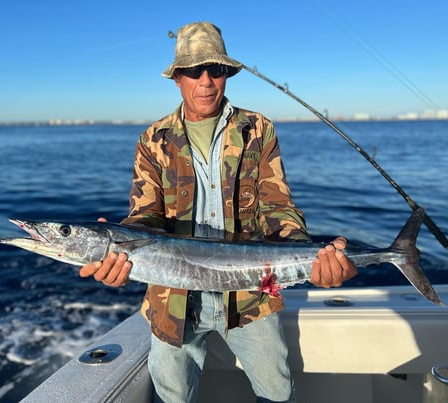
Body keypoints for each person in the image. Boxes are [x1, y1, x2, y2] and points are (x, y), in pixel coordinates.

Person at [80, 22, 358, 403]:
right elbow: (145, 215)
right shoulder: (152, 139)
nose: (206, 81)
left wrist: (310, 256)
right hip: (173, 300)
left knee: (277, 393)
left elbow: (278, 207)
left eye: (217, 70)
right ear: (177, 78)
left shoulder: (258, 129)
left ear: (227, 75)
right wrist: (118, 248)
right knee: (172, 396)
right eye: (194, 71)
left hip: (252, 295)